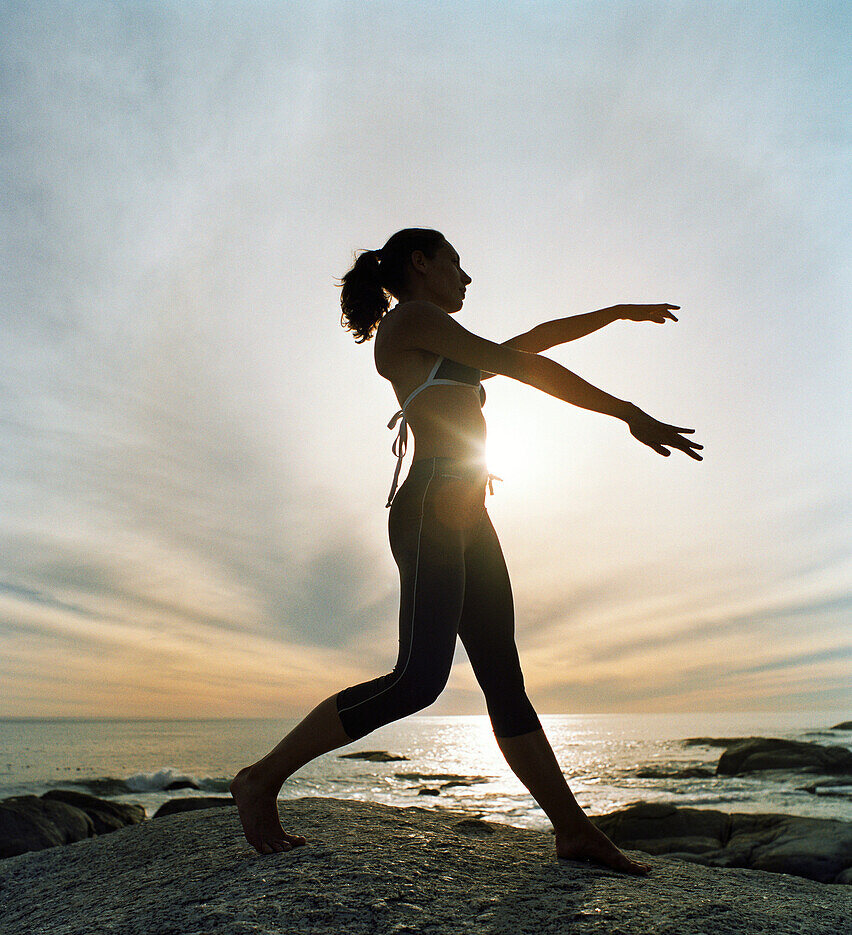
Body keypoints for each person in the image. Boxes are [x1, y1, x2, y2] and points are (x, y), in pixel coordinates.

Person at [231, 227, 702, 873]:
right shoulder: (412, 321)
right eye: (458, 263)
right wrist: (625, 410)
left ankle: (572, 830)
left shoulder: (435, 339)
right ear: (422, 263)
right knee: (419, 679)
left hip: (466, 509)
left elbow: (531, 341)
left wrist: (615, 313)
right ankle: (261, 779)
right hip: (431, 507)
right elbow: (524, 365)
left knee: (503, 677)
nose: (468, 279)